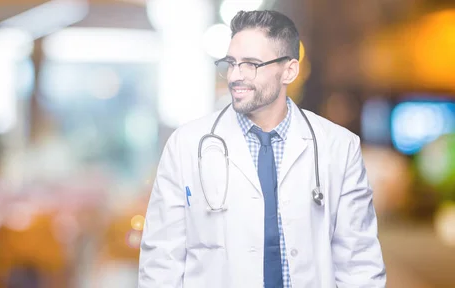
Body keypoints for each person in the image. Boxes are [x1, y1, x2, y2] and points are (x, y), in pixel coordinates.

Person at [138, 9, 386, 288]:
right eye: (231, 63)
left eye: (251, 64)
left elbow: (360, 264)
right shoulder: (186, 145)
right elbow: (161, 262)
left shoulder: (339, 147)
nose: (235, 76)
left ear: (289, 70)